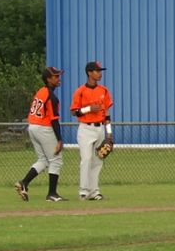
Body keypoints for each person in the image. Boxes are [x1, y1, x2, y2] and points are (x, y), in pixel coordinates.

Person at [15, 66, 66, 202]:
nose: (58, 78)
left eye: (58, 76)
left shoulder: (41, 91)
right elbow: (54, 120)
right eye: (56, 76)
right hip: (44, 128)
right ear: (48, 79)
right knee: (56, 160)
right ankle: (52, 194)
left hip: (32, 126)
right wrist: (59, 140)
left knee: (43, 160)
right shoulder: (51, 96)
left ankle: (23, 183)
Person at [71, 60, 113, 201]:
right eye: (97, 71)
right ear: (89, 72)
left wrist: (109, 134)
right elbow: (74, 111)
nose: (100, 73)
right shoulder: (80, 91)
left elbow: (107, 114)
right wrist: (88, 109)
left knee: (98, 161)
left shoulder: (104, 91)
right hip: (85, 129)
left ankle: (94, 192)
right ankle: (83, 191)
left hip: (100, 128)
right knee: (86, 159)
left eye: (100, 71)